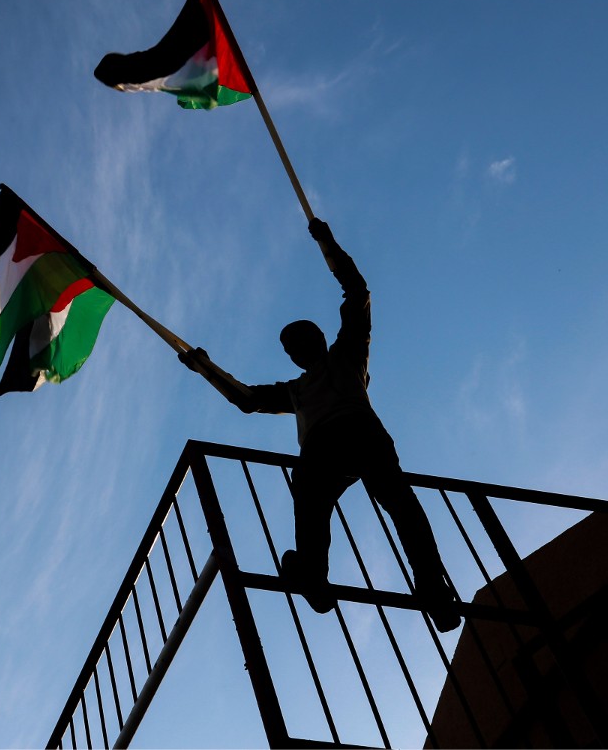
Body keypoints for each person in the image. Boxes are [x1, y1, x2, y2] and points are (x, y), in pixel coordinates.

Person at [179, 217, 461, 633]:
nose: (295, 352)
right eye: (291, 348)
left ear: (316, 339)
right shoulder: (298, 387)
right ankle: (321, 573)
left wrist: (327, 243)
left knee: (390, 501)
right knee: (329, 495)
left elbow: (357, 292)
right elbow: (247, 399)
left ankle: (428, 586)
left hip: (352, 434)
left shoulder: (347, 353)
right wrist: (203, 366)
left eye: (298, 342)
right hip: (333, 445)